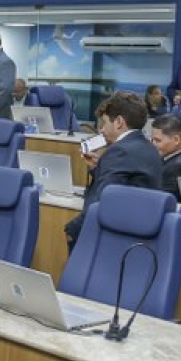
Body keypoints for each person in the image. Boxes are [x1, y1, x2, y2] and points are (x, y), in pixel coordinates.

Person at [64, 92, 163, 248]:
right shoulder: (148, 147)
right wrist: (98, 168)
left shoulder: (119, 150)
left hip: (113, 238)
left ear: (118, 122)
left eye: (104, 123)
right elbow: (124, 186)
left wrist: (73, 230)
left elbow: (102, 200)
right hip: (138, 237)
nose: (102, 130)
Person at [151, 114, 181, 200]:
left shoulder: (178, 167)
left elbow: (161, 200)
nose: (153, 144)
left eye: (158, 140)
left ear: (176, 140)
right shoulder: (171, 157)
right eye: (152, 140)